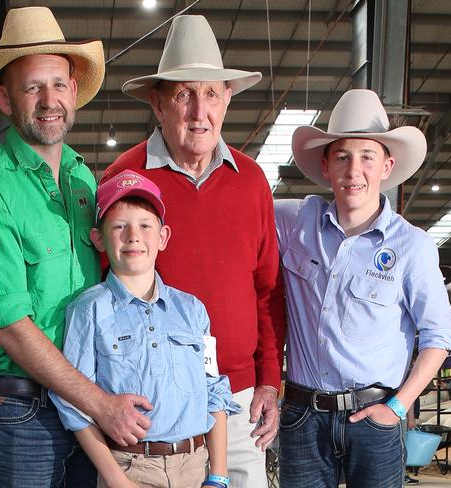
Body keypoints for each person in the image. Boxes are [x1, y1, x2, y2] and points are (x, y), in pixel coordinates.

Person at [0, 7, 152, 487]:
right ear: (4, 97)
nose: (49, 100)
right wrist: (101, 404)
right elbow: (13, 329)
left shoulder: (83, 180)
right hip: (26, 413)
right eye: (31, 87)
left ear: (74, 90)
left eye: (58, 84)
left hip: (82, 407)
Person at [102, 15, 286, 488]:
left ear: (227, 99)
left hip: (238, 394)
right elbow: (98, 289)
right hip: (154, 403)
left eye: (210, 94)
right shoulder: (127, 178)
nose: (198, 112)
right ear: (158, 103)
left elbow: (267, 290)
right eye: (184, 95)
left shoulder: (251, 182)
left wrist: (269, 380)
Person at [274, 89, 451, 487]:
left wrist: (398, 405)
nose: (353, 170)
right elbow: (236, 209)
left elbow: (439, 335)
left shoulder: (412, 246)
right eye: (341, 156)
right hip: (303, 417)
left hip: (374, 418)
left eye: (366, 157)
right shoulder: (294, 222)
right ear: (325, 165)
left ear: (387, 166)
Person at [51, 170, 239, 488]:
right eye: (119, 226)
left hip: (196, 465)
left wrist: (218, 476)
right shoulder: (88, 310)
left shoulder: (192, 310)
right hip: (130, 467)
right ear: (98, 238)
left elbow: (214, 391)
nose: (133, 236)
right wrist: (117, 481)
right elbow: (72, 403)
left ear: (163, 237)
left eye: (145, 226)